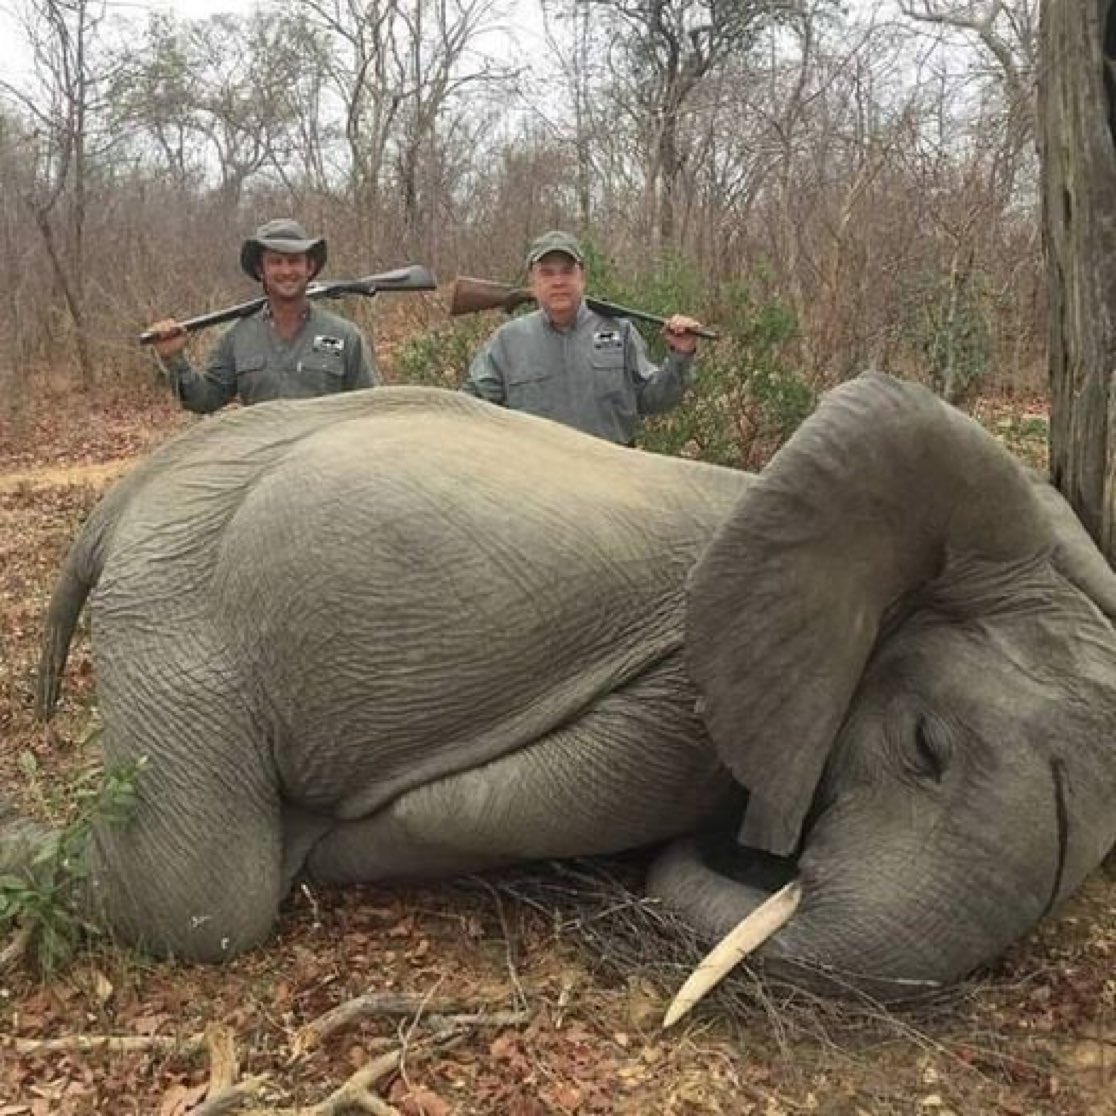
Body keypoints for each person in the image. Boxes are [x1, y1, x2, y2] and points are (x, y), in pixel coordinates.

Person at [462, 230, 704, 445]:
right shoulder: (508, 340)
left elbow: (654, 400)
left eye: (567, 271)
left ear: (582, 277)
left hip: (613, 475)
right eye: (547, 273)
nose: (558, 282)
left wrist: (680, 356)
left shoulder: (620, 330)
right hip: (535, 483)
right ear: (532, 281)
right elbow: (468, 407)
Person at [147, 218, 377, 413]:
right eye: (276, 262)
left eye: (294, 261)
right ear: (261, 270)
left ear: (309, 268)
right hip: (265, 462)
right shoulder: (237, 337)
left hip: (326, 461)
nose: (286, 271)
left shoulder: (345, 335)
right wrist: (175, 360)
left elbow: (369, 409)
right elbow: (205, 400)